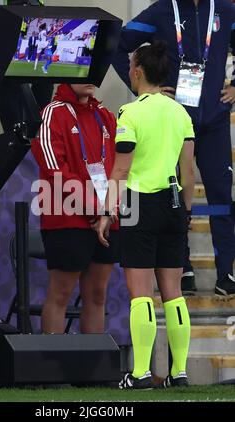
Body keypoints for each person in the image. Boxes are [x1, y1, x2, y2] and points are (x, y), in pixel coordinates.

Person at [112, 0, 235, 296]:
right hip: (173, 120)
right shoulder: (161, 10)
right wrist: (142, 88)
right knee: (175, 193)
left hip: (214, 121)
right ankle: (183, 267)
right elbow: (116, 44)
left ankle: (225, 273)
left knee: (220, 194)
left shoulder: (226, 10)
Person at [98, 41, 195, 388]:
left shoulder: (130, 113)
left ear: (137, 71)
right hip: (173, 204)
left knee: (141, 293)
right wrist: (184, 213)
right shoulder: (180, 112)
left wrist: (108, 212)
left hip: (138, 204)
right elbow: (188, 171)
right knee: (174, 293)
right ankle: (179, 373)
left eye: (129, 66)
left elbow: (121, 171)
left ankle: (139, 373)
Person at [31, 84, 119, 334]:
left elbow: (121, 166)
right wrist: (94, 210)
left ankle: (91, 370)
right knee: (61, 294)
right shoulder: (52, 113)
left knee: (97, 295)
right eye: (85, 72)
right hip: (68, 219)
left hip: (106, 217)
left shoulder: (105, 114)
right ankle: (53, 368)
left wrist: (107, 209)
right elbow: (54, 171)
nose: (92, 79)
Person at [0, 0, 53, 133]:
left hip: (34, 8)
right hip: (7, 12)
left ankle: (35, 133)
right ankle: (14, 137)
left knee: (45, 83)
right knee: (9, 84)